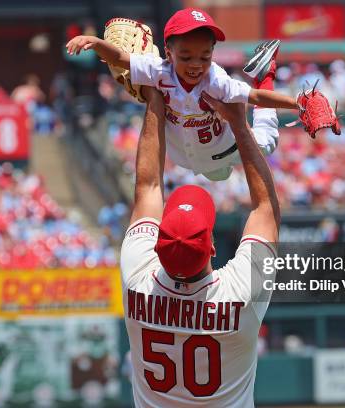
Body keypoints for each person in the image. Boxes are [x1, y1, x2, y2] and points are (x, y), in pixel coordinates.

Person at [119, 86, 279, 407]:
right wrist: (238, 124)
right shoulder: (240, 296)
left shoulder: (138, 283)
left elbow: (148, 186)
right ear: (212, 249)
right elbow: (265, 208)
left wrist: (155, 101)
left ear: (157, 247)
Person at [66, 8, 300, 181]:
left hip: (229, 146)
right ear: (168, 53)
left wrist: (299, 104)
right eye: (187, 57)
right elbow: (119, 58)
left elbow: (256, 97)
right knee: (217, 176)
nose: (196, 64)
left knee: (268, 143)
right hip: (189, 160)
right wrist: (95, 42)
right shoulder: (158, 70)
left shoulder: (216, 80)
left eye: (205, 57)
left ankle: (265, 73)